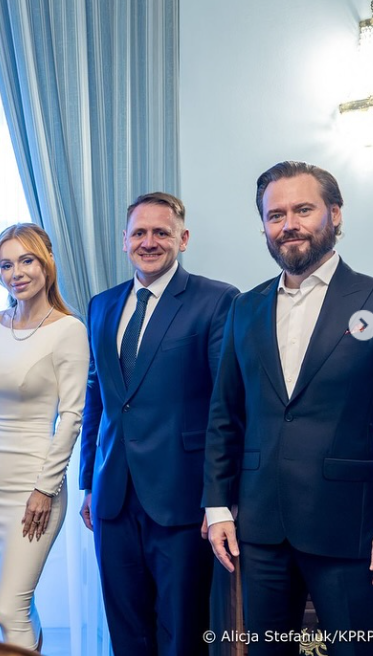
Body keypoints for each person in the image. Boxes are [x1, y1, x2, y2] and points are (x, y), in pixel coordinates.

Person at [205, 161, 373, 656]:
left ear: (335, 214)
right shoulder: (245, 307)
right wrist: (217, 505)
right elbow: (225, 413)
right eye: (275, 215)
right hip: (261, 528)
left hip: (347, 526)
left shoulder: (370, 297)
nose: (289, 225)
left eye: (303, 210)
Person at [79, 192, 239, 656]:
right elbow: (97, 398)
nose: (149, 242)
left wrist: (219, 498)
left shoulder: (217, 300)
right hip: (112, 499)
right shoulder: (101, 305)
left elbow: (225, 405)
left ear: (182, 239)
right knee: (126, 632)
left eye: (161, 232)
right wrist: (89, 482)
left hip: (181, 500)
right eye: (139, 233)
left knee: (181, 634)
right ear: (124, 240)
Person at [0, 223, 88, 650]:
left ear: (46, 262)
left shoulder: (69, 330)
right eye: (6, 264)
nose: (16, 273)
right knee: (17, 604)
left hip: (35, 486)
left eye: (26, 260)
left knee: (7, 609)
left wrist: (45, 488)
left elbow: (71, 417)